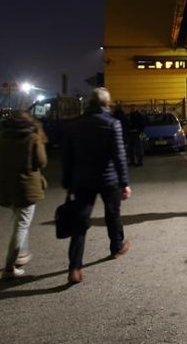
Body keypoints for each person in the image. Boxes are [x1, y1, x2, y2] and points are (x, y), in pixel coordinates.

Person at [62, 87, 132, 284]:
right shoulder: (112, 123)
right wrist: (124, 183)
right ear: (105, 103)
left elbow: (67, 156)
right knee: (113, 213)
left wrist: (67, 181)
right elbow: (119, 156)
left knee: (80, 222)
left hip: (82, 180)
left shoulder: (74, 125)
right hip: (107, 178)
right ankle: (116, 246)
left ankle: (75, 268)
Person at [0, 111, 47, 279]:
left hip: (7, 184)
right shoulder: (32, 138)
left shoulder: (2, 138)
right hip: (26, 187)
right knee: (22, 225)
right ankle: (9, 268)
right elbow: (41, 161)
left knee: (19, 221)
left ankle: (21, 254)